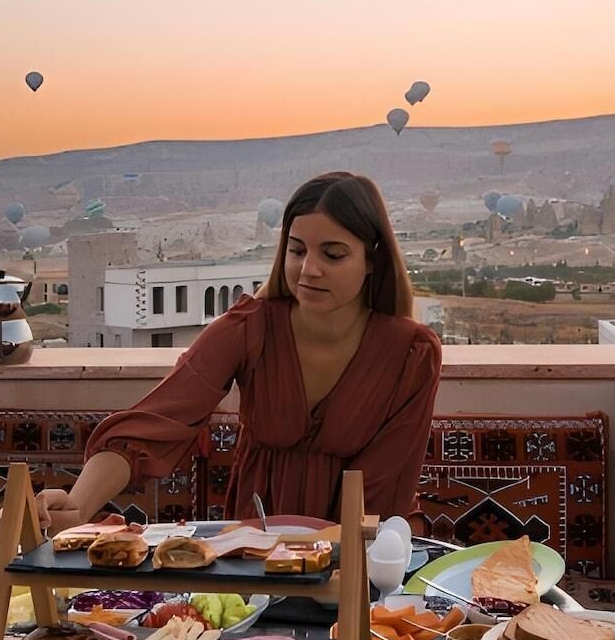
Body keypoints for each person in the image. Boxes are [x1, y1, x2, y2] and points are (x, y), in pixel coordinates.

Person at [35, 172, 442, 532]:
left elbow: (383, 485)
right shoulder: (249, 327)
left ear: (372, 259)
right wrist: (78, 504)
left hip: (362, 548)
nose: (309, 269)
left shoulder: (412, 353)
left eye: (333, 255)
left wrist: (329, 570)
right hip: (256, 545)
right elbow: (154, 423)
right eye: (297, 251)